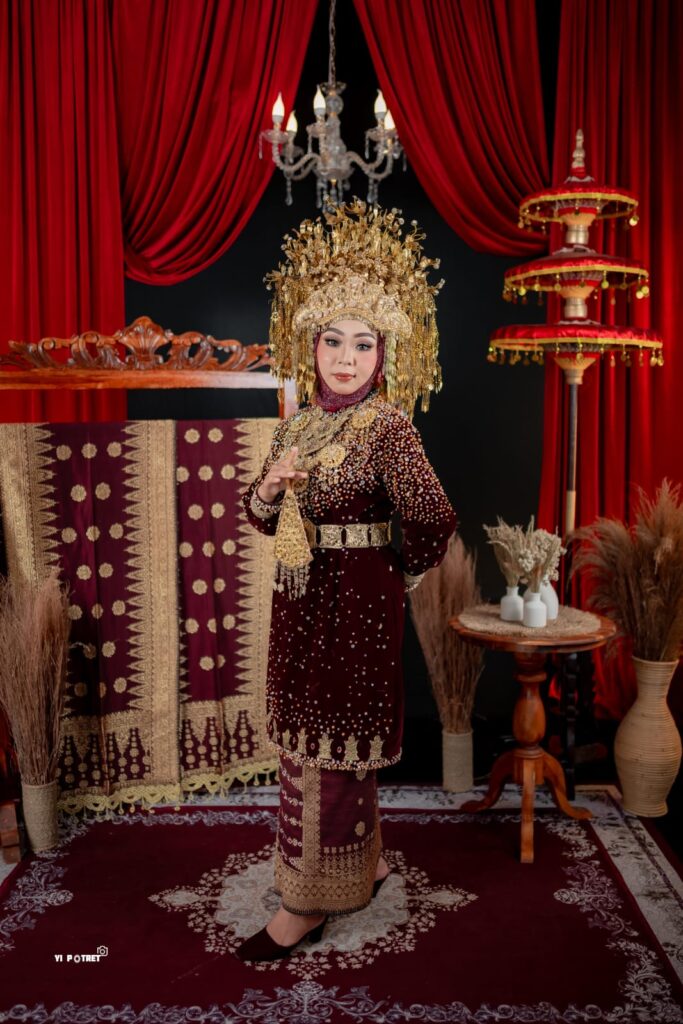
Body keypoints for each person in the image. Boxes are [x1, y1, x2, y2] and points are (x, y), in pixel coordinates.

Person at [237, 200, 457, 962]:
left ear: (383, 353)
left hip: (354, 602)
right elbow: (259, 516)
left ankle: (304, 904)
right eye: (332, 340)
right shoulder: (298, 423)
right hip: (299, 601)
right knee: (308, 737)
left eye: (363, 344)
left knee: (332, 744)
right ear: (312, 344)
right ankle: (363, 860)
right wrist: (269, 488)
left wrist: (397, 573)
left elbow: (431, 516)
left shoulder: (387, 426)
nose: (345, 358)